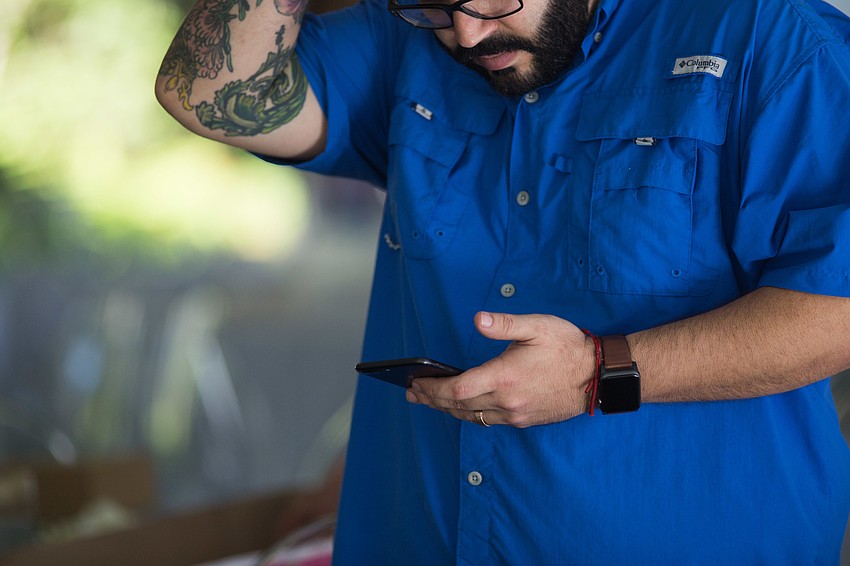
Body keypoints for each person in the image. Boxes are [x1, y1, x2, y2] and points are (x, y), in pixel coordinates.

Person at [155, 0, 850, 562]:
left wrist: (595, 372)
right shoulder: (410, 38)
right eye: (436, 4)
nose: (465, 30)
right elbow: (210, 91)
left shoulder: (775, 40)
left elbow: (838, 311)